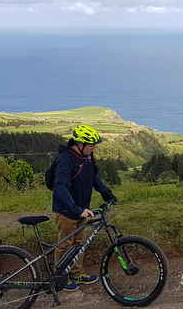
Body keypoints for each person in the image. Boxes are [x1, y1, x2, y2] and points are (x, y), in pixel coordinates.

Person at [51, 124, 117, 292]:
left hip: (82, 208)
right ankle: (59, 277)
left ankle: (76, 273)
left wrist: (106, 193)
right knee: (65, 244)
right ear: (80, 145)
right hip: (67, 211)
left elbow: (94, 176)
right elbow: (60, 187)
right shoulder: (65, 160)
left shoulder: (87, 157)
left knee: (80, 242)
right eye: (91, 145)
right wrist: (75, 209)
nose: (94, 148)